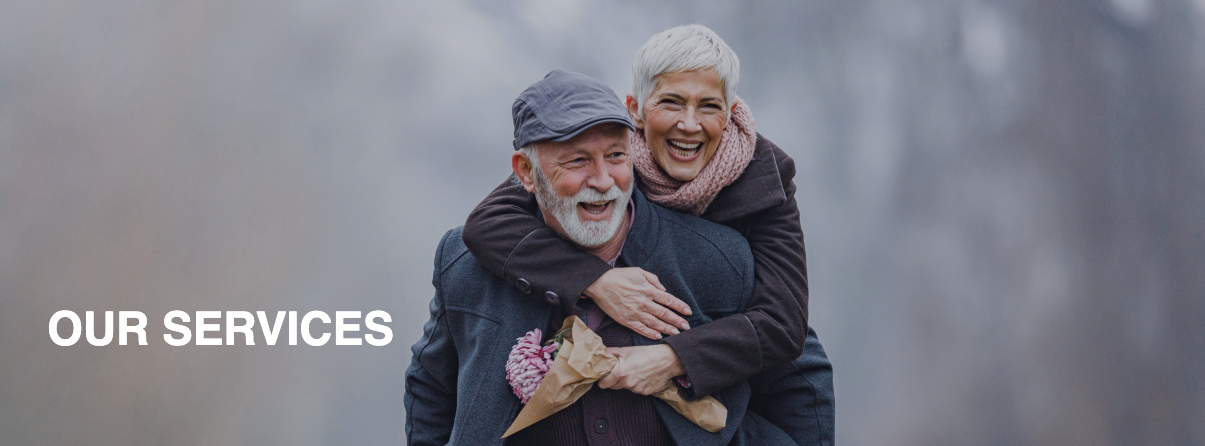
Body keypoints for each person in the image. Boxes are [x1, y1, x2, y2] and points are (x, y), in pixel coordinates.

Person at [406, 70, 830, 445]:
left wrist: (678, 358)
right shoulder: (465, 265)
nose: (604, 180)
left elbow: (797, 373)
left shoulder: (719, 258)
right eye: (577, 161)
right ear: (525, 173)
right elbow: (430, 387)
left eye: (615, 156)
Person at [464, 24, 818, 402]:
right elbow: (487, 223)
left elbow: (783, 323)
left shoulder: (765, 179)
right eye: (671, 102)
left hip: (734, 389)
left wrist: (672, 358)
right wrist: (595, 281)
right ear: (634, 110)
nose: (689, 124)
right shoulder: (608, 154)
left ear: (730, 112)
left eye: (709, 106)